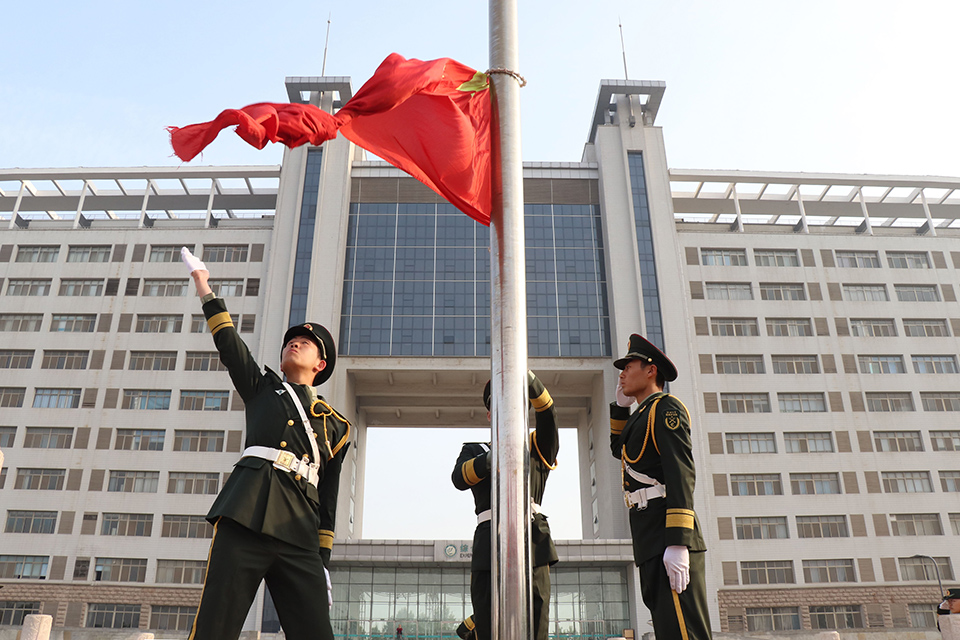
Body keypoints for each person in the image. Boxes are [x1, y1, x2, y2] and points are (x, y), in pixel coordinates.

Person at [182, 248, 351, 640]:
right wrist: (204, 284)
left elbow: (328, 500)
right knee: (214, 628)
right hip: (245, 517)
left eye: (305, 343)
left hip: (300, 533)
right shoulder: (262, 389)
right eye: (291, 341)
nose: (295, 344)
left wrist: (323, 560)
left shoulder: (337, 426)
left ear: (320, 365)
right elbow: (229, 344)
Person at [609, 334, 712, 640]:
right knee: (668, 630)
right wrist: (620, 408)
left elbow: (681, 472)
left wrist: (678, 541)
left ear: (651, 370)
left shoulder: (666, 409)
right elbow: (620, 449)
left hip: (668, 535)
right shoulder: (641, 414)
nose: (622, 374)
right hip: (649, 536)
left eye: (629, 367)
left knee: (684, 631)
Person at [452, 371, 559, 640]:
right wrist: (494, 457)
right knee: (487, 624)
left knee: (536, 624)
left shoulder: (536, 446)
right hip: (490, 542)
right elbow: (459, 479)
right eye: (499, 407)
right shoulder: (475, 450)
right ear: (490, 415)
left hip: (532, 540)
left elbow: (548, 415)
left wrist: (528, 379)